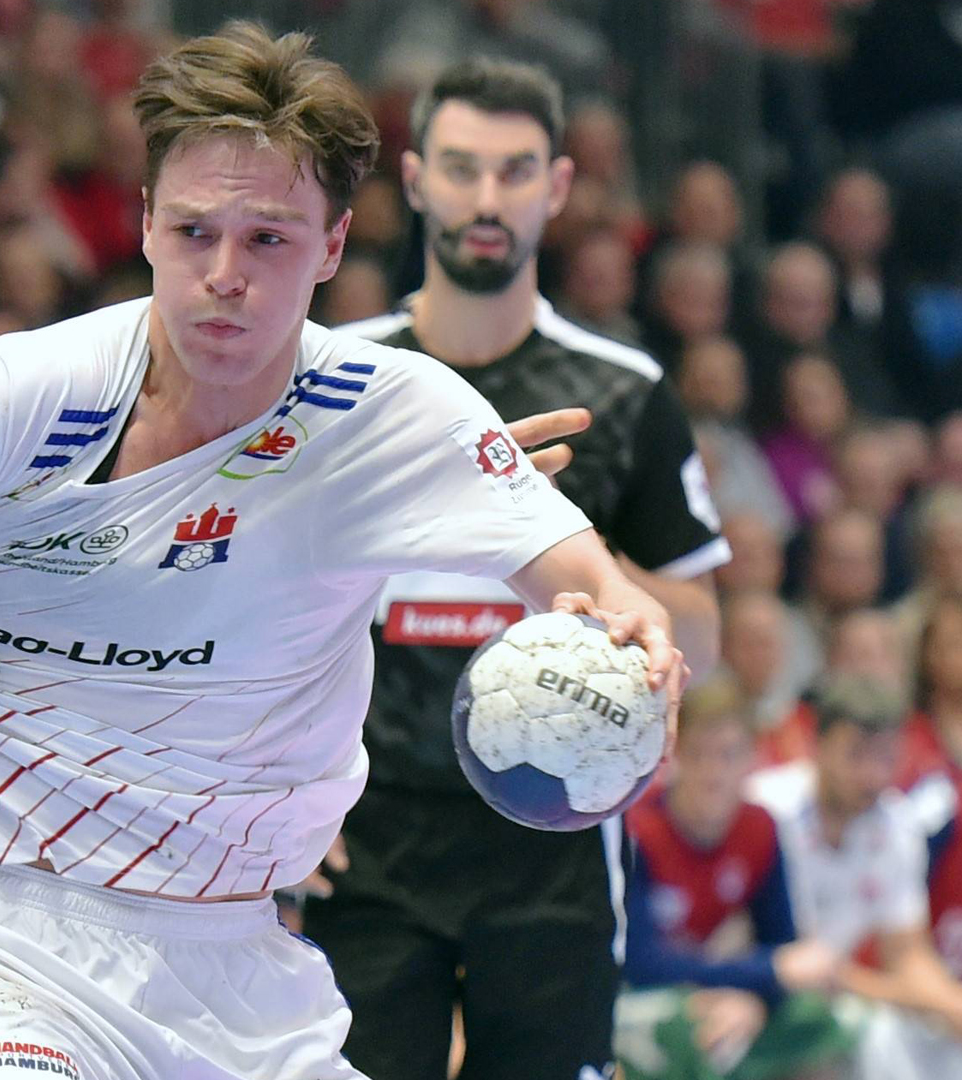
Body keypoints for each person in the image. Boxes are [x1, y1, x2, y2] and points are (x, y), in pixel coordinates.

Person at [0, 23, 685, 1080]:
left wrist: (632, 636)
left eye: (268, 240)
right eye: (195, 231)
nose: (223, 275)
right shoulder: (23, 391)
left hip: (252, 965)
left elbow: (596, 589)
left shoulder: (398, 415)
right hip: (12, 941)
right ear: (147, 228)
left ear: (334, 248)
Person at [303, 57, 726, 1080]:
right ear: (412, 180)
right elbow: (254, 598)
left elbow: (703, 644)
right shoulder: (331, 375)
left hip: (555, 842)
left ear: (559, 188)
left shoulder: (623, 394)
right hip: (363, 841)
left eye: (513, 171)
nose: (486, 198)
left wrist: (557, 539)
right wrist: (272, 799)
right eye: (460, 169)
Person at [616, 678, 849, 1080]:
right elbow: (639, 962)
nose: (714, 773)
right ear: (674, 756)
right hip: (639, 1000)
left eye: (729, 755)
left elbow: (781, 944)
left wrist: (755, 1000)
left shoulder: (760, 829)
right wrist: (764, 975)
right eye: (700, 754)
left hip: (717, 986)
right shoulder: (639, 832)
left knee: (823, 1016)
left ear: (752, 758)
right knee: (688, 1033)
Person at [750, 676, 962, 1080]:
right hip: (756, 982)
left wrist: (948, 1002)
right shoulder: (763, 810)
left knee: (943, 1039)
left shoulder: (898, 827)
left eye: (885, 757)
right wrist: (926, 1001)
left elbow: (906, 954)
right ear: (817, 743)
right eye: (857, 754)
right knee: (872, 1034)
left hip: (835, 992)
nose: (872, 774)